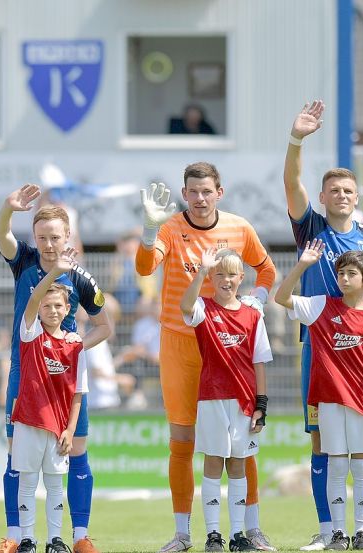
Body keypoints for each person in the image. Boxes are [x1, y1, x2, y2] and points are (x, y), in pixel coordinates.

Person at [283, 101, 363, 550]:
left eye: (347, 190)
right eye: (333, 189)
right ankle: (327, 531)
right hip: (319, 350)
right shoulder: (310, 229)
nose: (340, 194)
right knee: (321, 440)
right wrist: (297, 138)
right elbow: (291, 182)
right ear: (323, 198)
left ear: (356, 198)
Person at [135, 162, 277, 553]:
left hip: (227, 347)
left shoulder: (239, 227)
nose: (200, 199)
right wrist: (149, 232)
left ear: (220, 192)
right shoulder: (169, 228)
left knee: (242, 441)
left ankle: (251, 528)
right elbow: (145, 268)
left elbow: (266, 270)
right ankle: (183, 533)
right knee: (182, 439)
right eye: (193, 192)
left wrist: (257, 301)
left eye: (206, 191)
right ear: (185, 194)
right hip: (181, 344)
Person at [0, 184, 111, 553]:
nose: (48, 243)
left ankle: (79, 536)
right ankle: (15, 535)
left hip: (66, 379)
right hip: (25, 374)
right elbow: (0, 236)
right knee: (17, 455)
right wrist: (7, 209)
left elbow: (105, 326)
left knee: (76, 451)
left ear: (68, 236)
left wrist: (76, 346)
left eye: (55, 237)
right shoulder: (24, 261)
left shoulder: (81, 278)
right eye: (42, 236)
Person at [275, 242, 363, 551]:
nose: (344, 278)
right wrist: (302, 265)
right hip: (328, 402)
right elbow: (281, 297)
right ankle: (339, 534)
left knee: (362, 465)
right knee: (337, 465)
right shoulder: (320, 306)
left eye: (351, 273)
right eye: (340, 273)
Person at [179, 248, 272, 552]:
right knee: (213, 462)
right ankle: (213, 534)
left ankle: (237, 534)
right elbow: (184, 304)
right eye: (219, 274)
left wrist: (261, 404)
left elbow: (259, 362)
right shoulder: (203, 308)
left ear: (241, 277)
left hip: (244, 402)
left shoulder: (252, 315)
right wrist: (201, 271)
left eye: (232, 274)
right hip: (211, 399)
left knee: (238, 465)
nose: (226, 279)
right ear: (211, 278)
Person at [11, 248, 87, 553]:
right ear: (39, 309)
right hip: (29, 422)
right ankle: (27, 539)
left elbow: (78, 393)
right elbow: (30, 301)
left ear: (68, 308)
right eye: (47, 306)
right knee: (27, 484)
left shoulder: (75, 345)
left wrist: (69, 429)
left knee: (56, 486)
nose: (52, 311)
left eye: (58, 306)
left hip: (58, 428)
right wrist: (55, 272)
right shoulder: (30, 335)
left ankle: (55, 540)